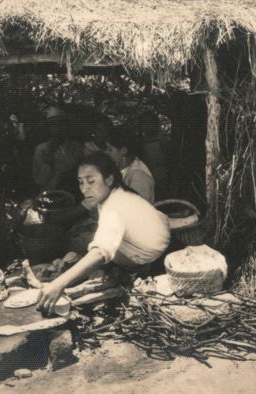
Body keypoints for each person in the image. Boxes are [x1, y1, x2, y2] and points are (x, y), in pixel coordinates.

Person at [37, 152, 170, 315]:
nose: (85, 189)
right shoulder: (118, 192)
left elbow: (101, 252)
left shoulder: (114, 208)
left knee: (91, 249)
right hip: (152, 245)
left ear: (109, 179)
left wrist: (58, 284)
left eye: (91, 181)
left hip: (150, 260)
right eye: (80, 182)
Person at [32, 106, 84, 193]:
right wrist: (50, 157)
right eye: (54, 125)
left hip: (72, 195)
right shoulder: (41, 150)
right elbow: (39, 180)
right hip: (50, 196)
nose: (58, 128)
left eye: (61, 124)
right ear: (49, 128)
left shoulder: (76, 147)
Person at [105, 126, 155, 203]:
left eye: (110, 149)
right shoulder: (118, 166)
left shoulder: (139, 175)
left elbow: (139, 208)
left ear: (123, 150)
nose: (106, 152)